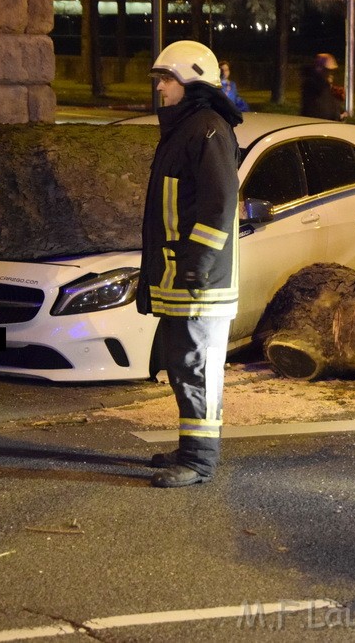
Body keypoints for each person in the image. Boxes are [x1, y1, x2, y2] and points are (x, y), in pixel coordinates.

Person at [138, 40, 242, 488]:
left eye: (166, 80)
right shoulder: (187, 127)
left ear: (190, 82)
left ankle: (199, 460)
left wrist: (198, 263)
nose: (160, 88)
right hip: (180, 273)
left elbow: (218, 205)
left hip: (200, 279)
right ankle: (189, 448)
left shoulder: (208, 129)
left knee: (198, 366)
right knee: (181, 362)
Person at [300, 52, 346, 120]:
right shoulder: (313, 85)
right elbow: (320, 110)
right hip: (316, 124)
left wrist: (338, 105)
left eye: (332, 71)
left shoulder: (324, 85)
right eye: (328, 70)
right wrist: (338, 115)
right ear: (319, 69)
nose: (331, 74)